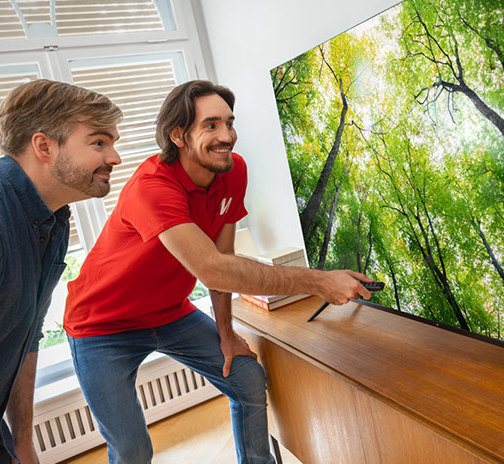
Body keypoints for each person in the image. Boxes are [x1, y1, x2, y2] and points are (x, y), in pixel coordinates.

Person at [62, 80, 371, 464]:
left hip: (170, 311)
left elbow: (223, 254)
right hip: (102, 325)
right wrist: (320, 281)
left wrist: (226, 333)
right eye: (210, 125)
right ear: (178, 135)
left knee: (245, 379)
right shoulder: (152, 188)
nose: (226, 136)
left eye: (229, 122)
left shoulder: (233, 171)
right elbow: (213, 270)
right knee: (132, 449)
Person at [0, 79, 123, 463]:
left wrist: (22, 441)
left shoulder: (50, 221)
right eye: (99, 142)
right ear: (44, 146)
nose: (115, 157)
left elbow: (26, 334)